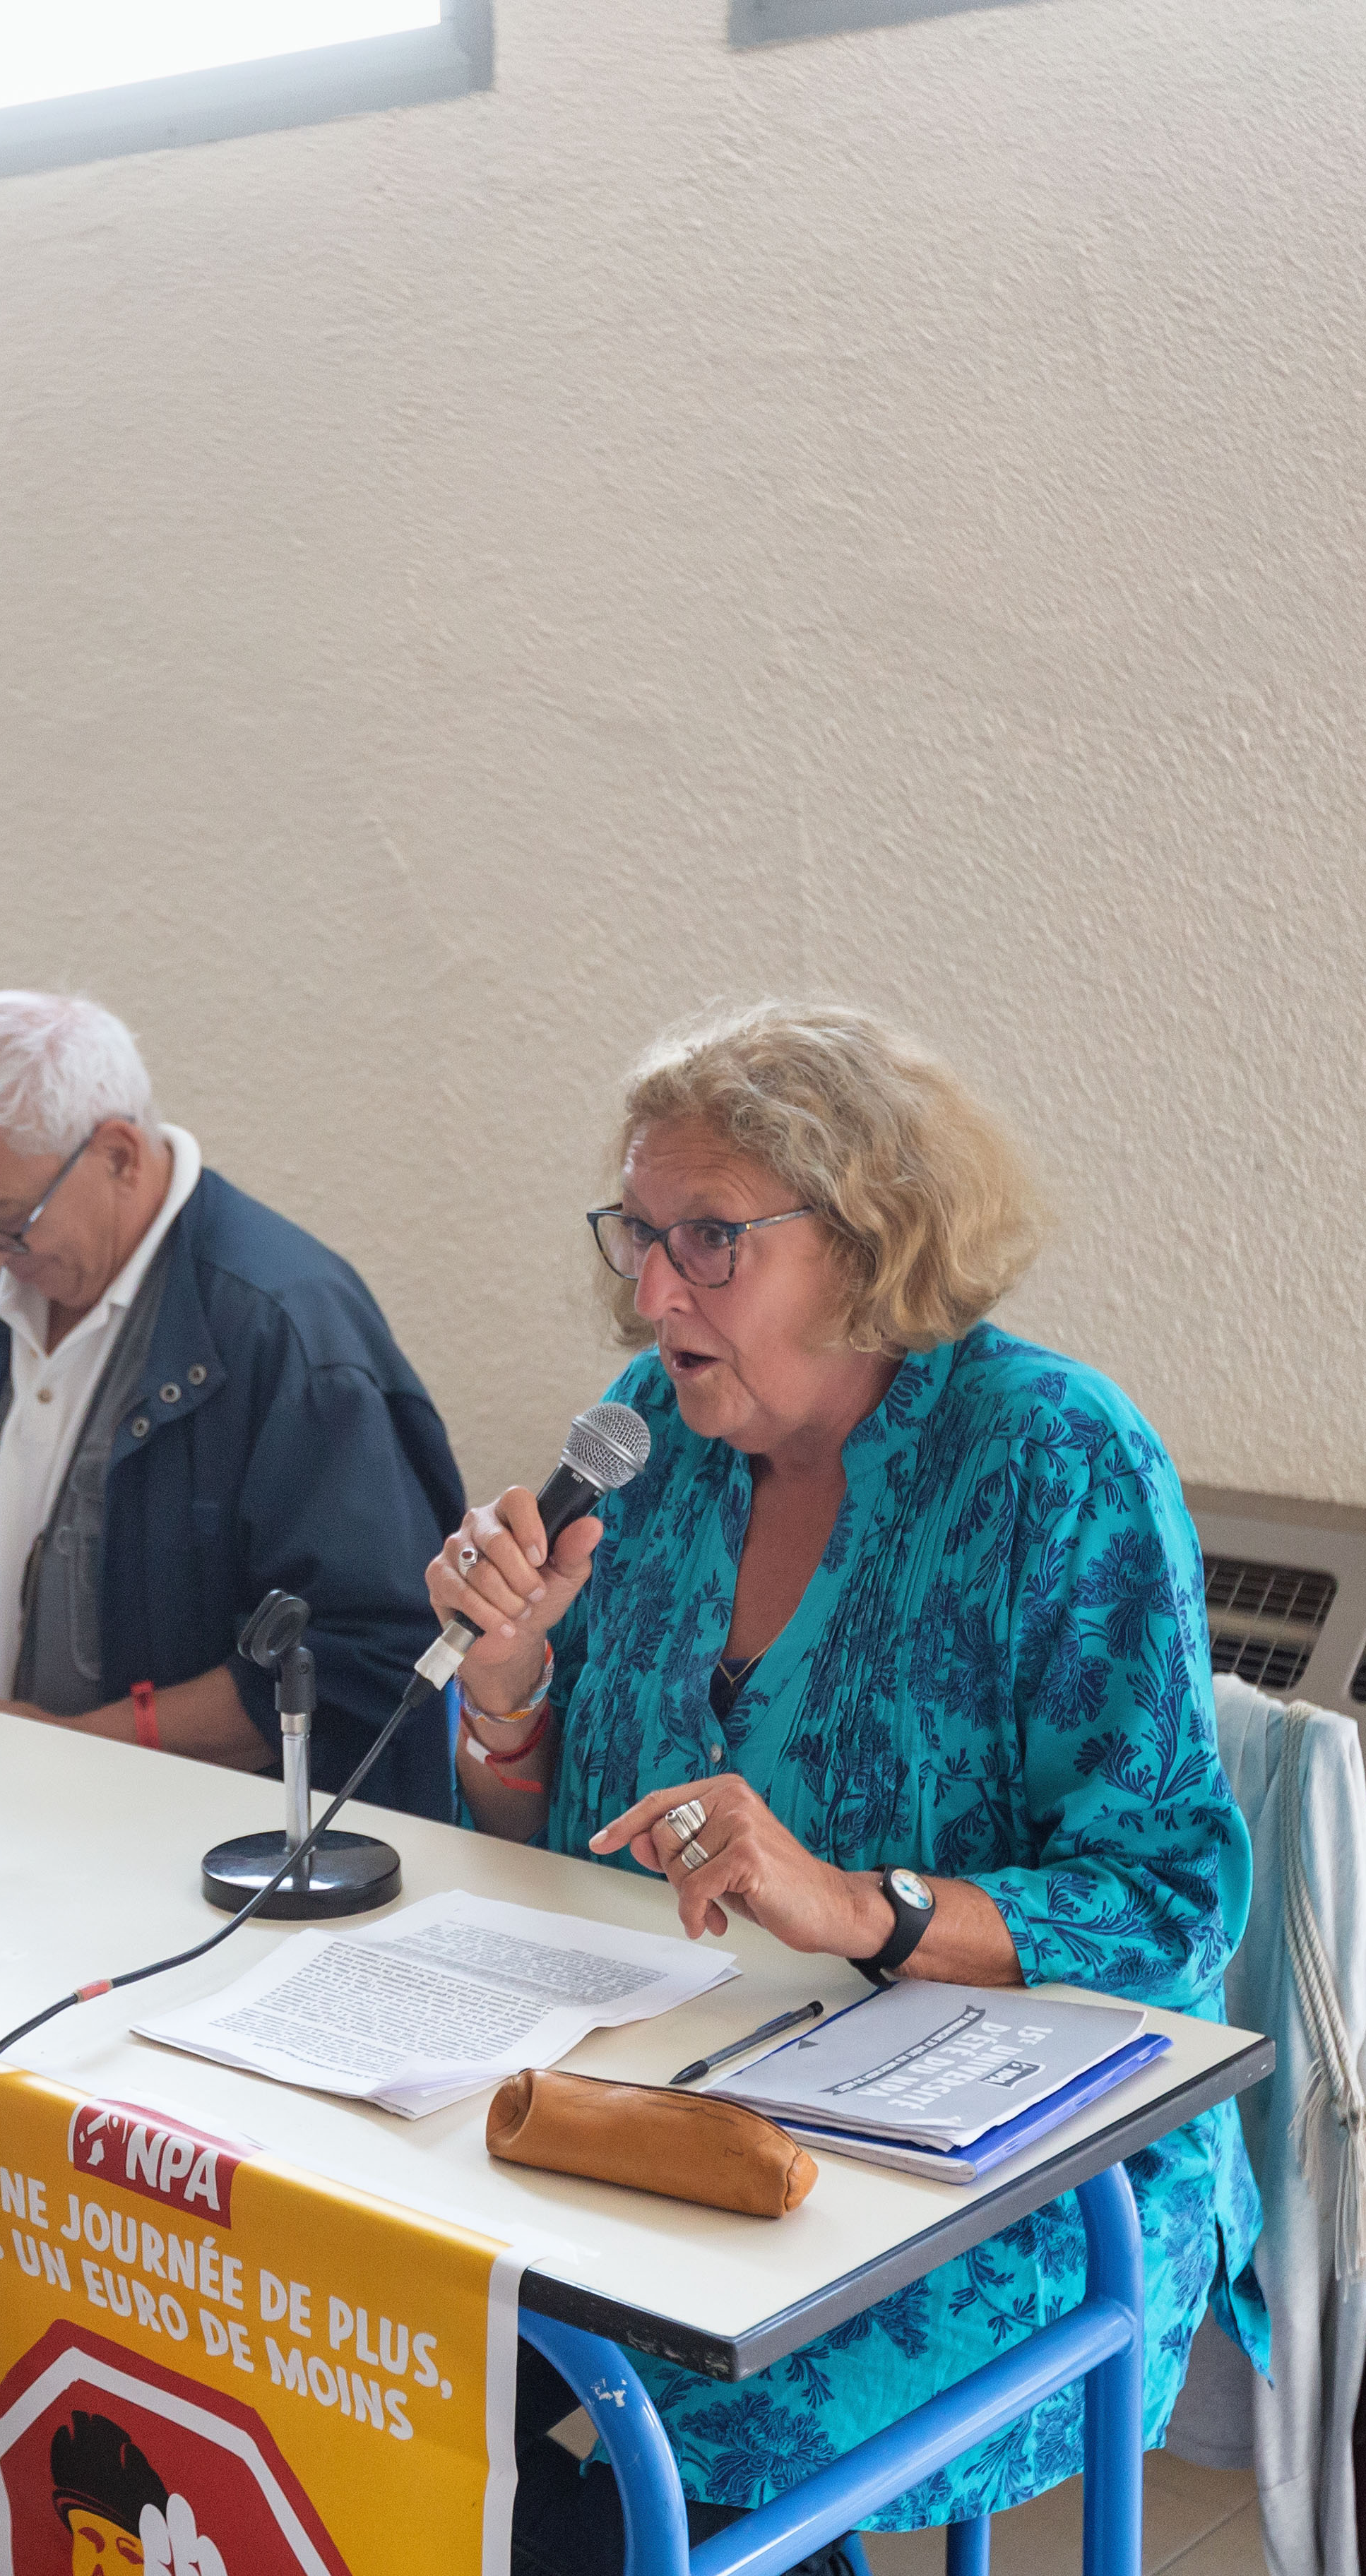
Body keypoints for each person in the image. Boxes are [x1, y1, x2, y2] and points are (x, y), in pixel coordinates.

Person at [434, 1001, 1263, 2575]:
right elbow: (561, 1851)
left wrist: (859, 1907)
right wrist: (508, 1687)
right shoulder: (655, 1443)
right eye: (638, 1235)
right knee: (386, 2363)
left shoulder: (1052, 1462)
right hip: (673, 2096)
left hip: (994, 2167)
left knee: (626, 2467)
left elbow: (1167, 1910)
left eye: (709, 1238)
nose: (653, 1290)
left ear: (866, 1238)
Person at [0, 991, 465, 1817]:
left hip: (199, 1848)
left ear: (117, 1155)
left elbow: (367, 1652)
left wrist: (70, 1749)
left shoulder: (285, 1330)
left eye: (3, 1221)